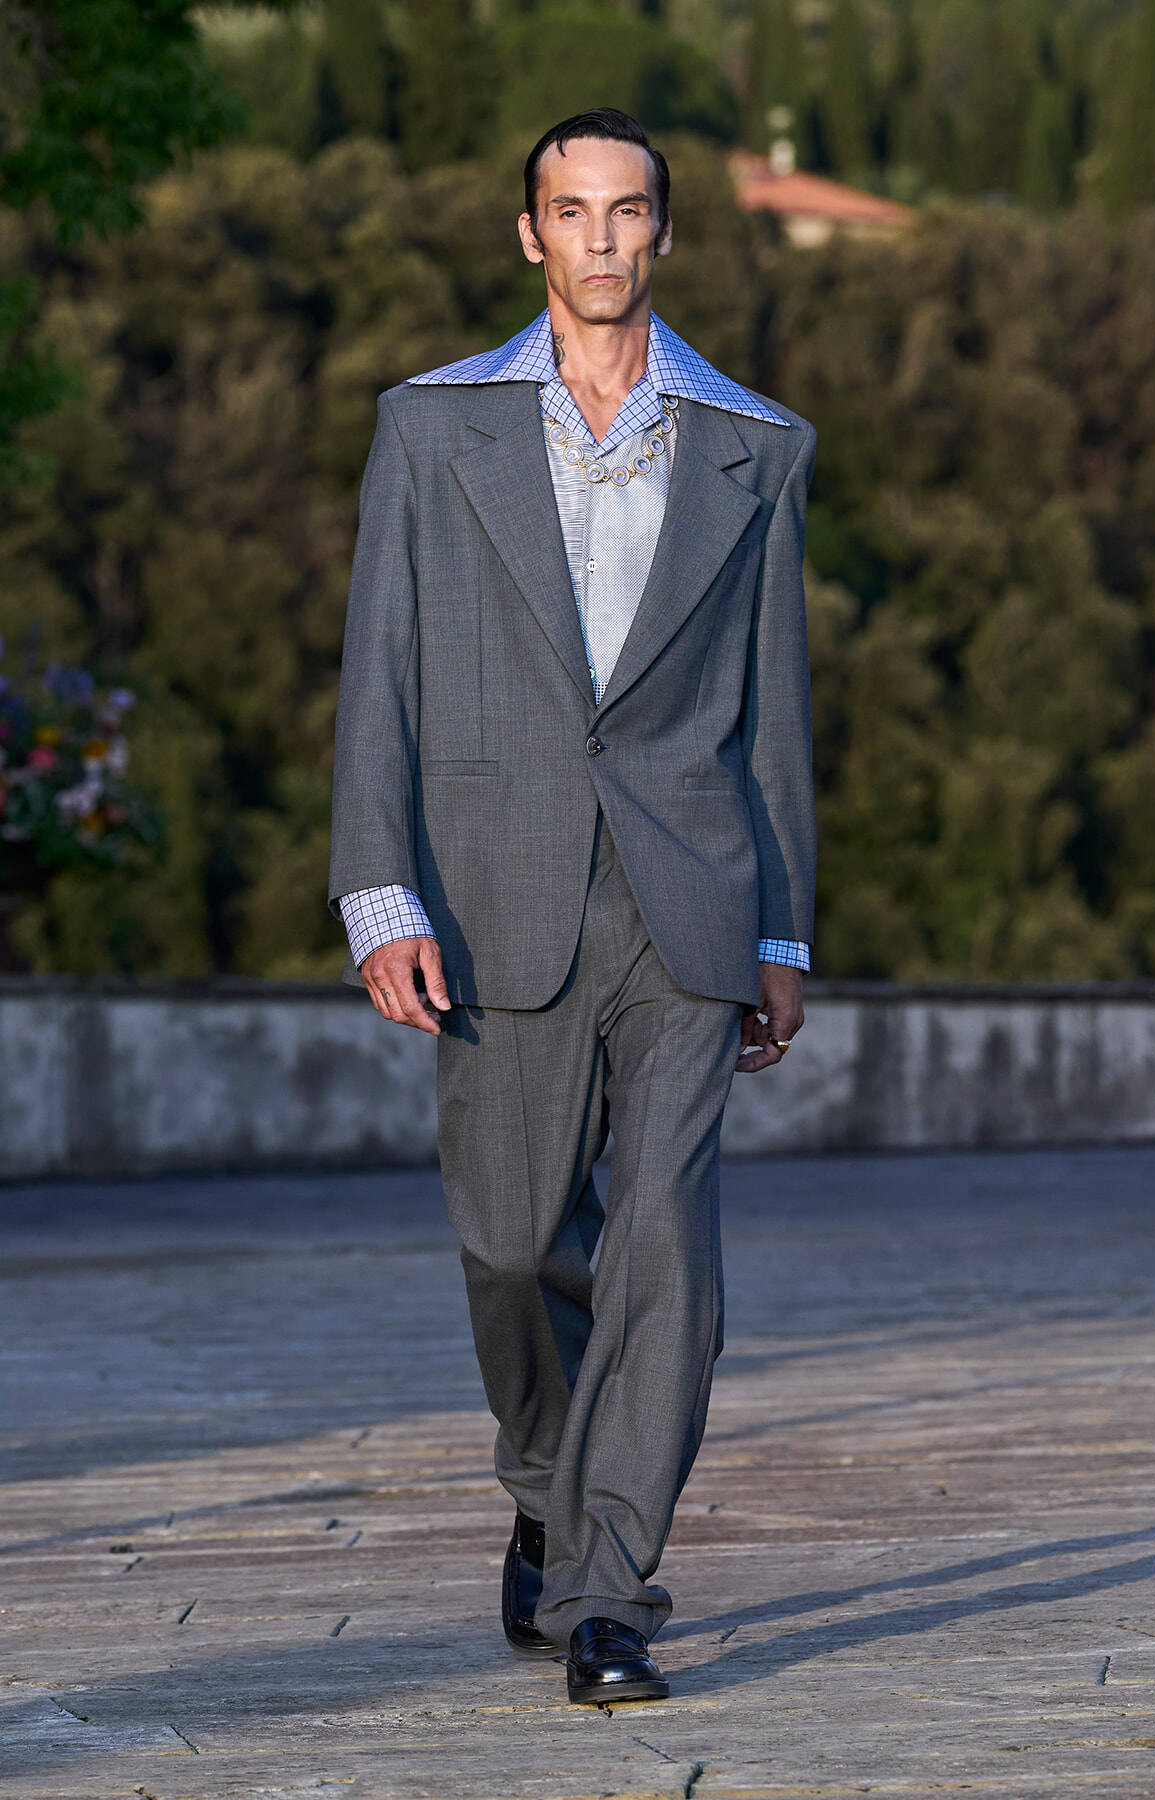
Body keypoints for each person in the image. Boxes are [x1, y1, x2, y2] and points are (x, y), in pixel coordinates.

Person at [329, 108, 816, 1706]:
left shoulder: (755, 442)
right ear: (526, 235)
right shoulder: (428, 428)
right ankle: (545, 1492)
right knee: (513, 1240)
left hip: (688, 894)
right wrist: (378, 890)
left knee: (669, 1249)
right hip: (491, 892)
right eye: (570, 212)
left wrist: (783, 927)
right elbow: (379, 675)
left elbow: (776, 706)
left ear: (664, 235)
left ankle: (610, 1587)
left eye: (628, 213)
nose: (601, 239)